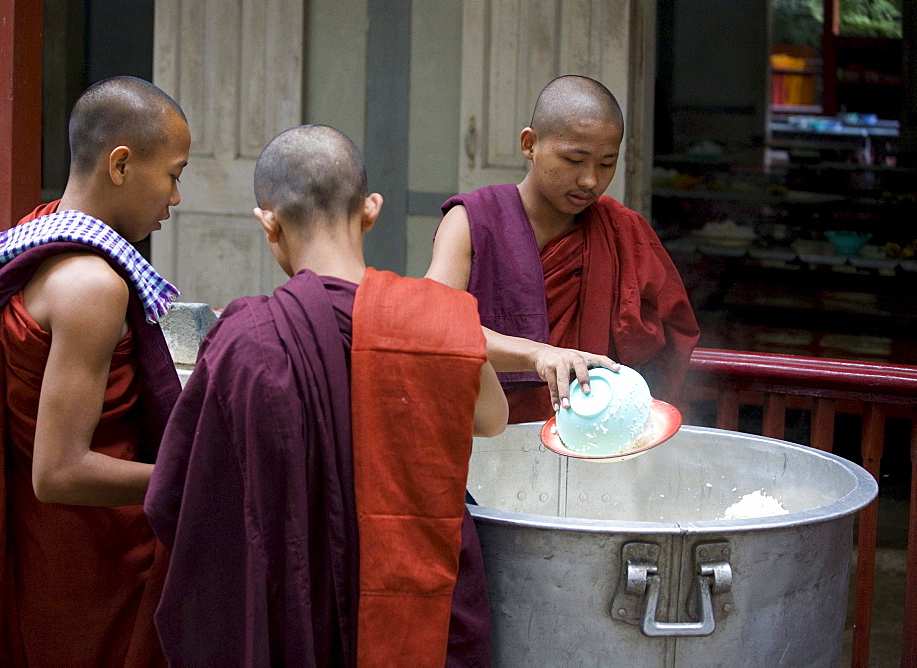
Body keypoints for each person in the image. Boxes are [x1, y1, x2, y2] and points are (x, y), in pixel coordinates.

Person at [144, 124, 508, 667]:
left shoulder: (247, 338)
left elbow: (182, 496)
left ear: (268, 222)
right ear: (372, 210)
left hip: (295, 613)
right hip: (422, 616)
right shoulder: (436, 319)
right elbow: (493, 419)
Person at [0, 75, 190, 666]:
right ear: (120, 164)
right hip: (87, 568)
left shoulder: (37, 232)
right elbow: (59, 471)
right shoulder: (92, 284)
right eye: (174, 174)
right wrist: (192, 472)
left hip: (44, 550)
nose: (175, 198)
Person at [426, 75, 700, 423]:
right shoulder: (472, 222)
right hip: (487, 435)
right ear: (529, 144)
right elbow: (434, 325)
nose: (590, 180)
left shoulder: (621, 231)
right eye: (575, 160)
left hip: (594, 435)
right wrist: (538, 355)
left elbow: (667, 346)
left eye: (606, 164)